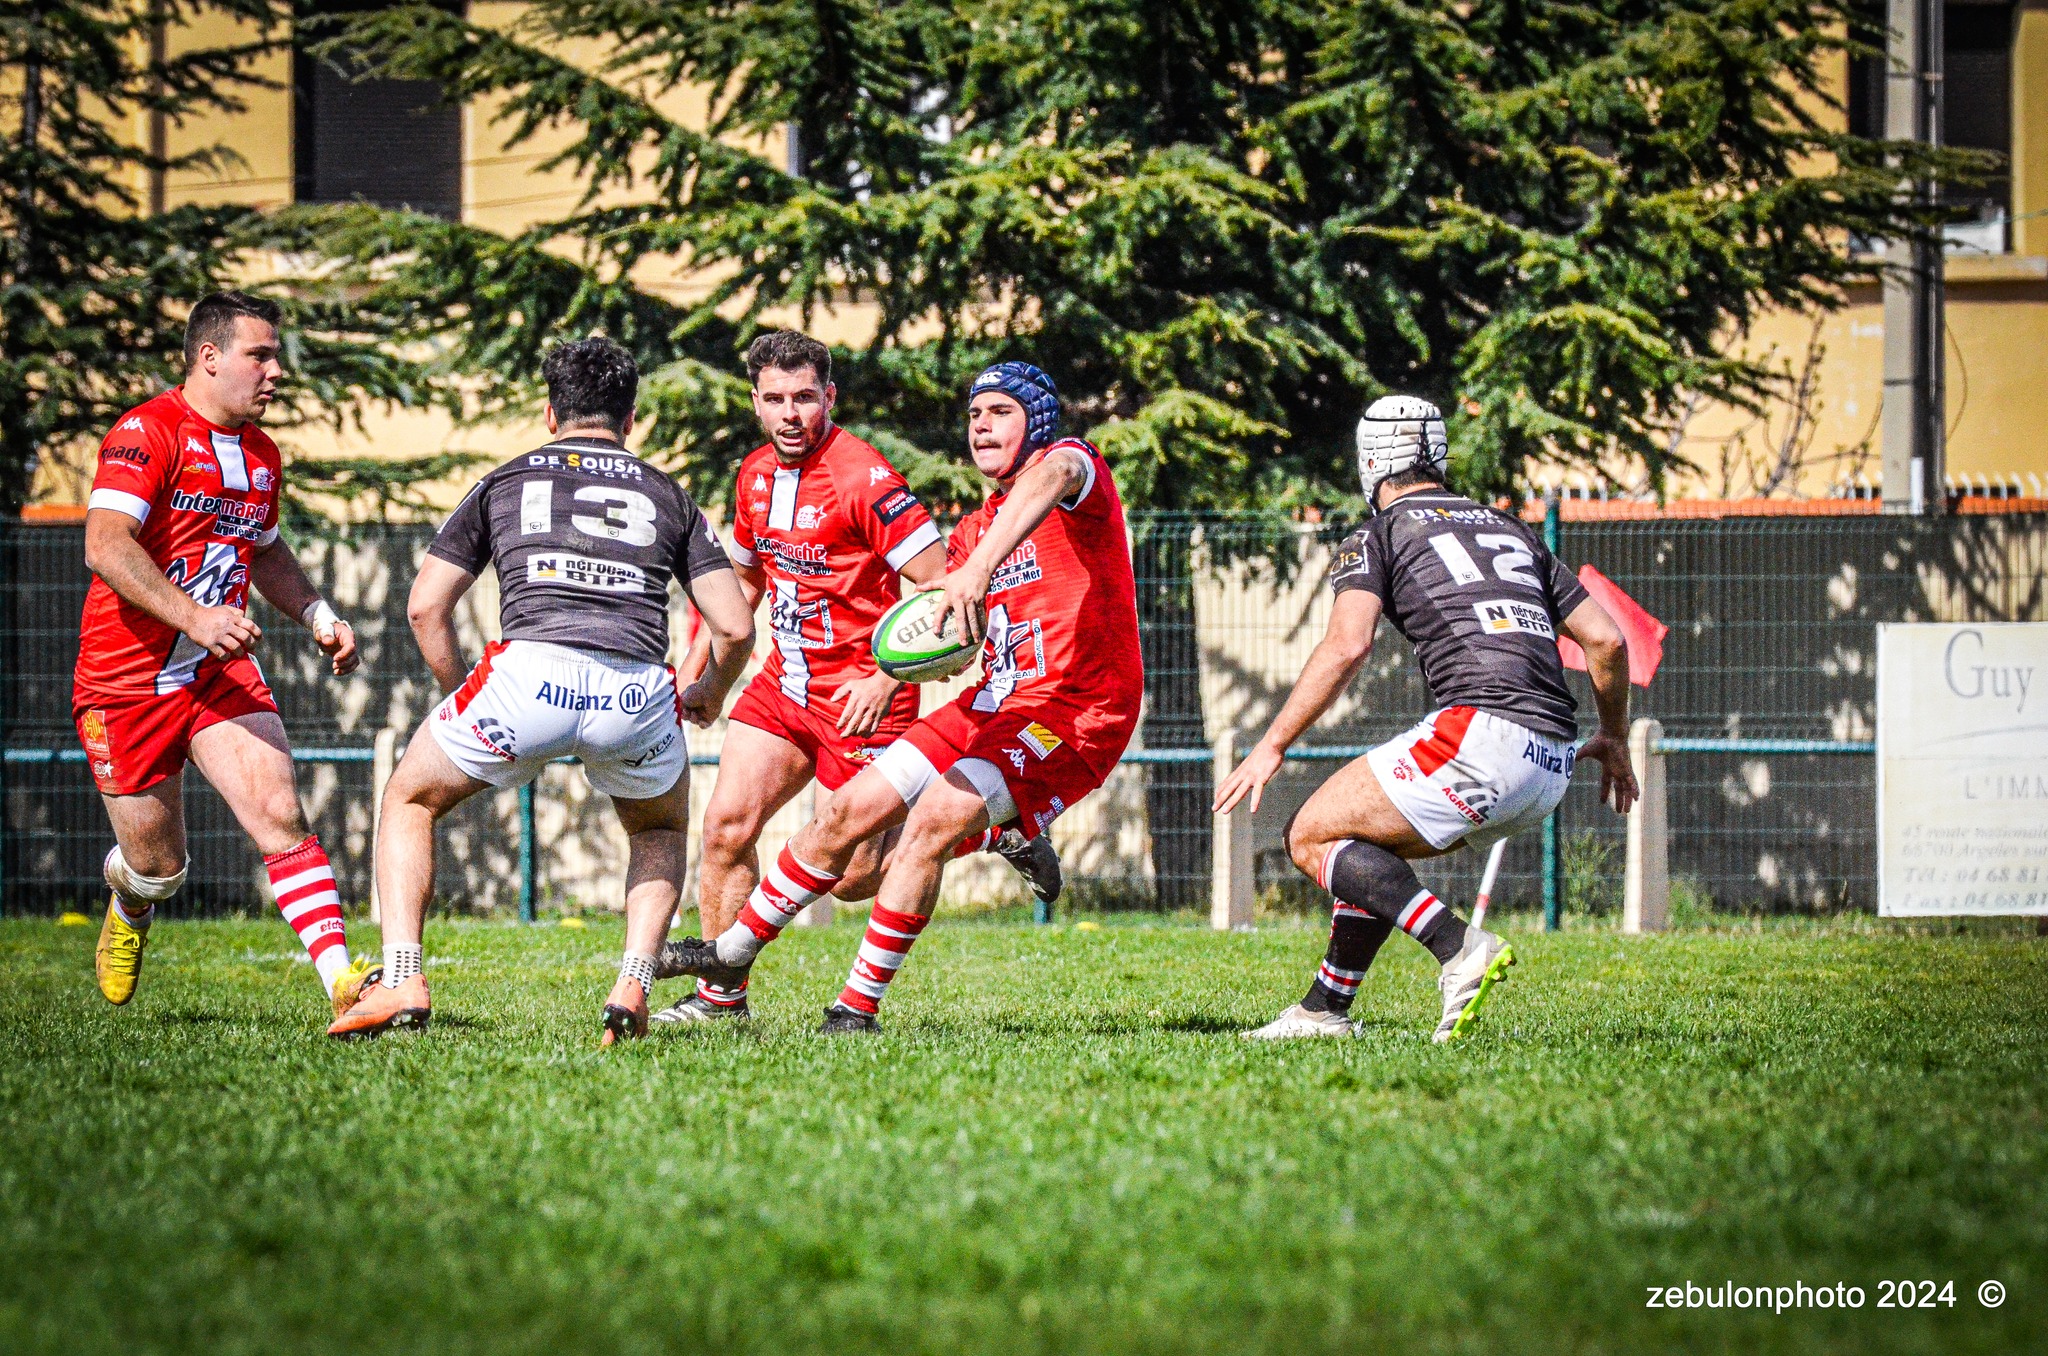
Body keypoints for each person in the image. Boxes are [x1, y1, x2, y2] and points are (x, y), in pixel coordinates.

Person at [661, 362, 1143, 1033]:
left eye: (1000, 412)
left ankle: (854, 1011)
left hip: (1076, 713)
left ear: (1037, 420)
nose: (981, 426)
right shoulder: (973, 531)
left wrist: (976, 569)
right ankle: (726, 961)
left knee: (929, 823)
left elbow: (1055, 473)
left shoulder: (1075, 474)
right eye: (974, 415)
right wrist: (888, 675)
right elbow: (939, 628)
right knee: (844, 818)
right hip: (991, 703)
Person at [327, 336, 756, 1044]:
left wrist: (462, 695)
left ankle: (403, 977)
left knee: (408, 800)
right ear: (630, 417)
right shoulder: (666, 493)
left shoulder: (504, 480)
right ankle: (633, 986)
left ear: (551, 413)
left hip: (526, 679)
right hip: (634, 692)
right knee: (658, 830)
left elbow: (425, 607)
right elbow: (735, 626)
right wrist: (709, 689)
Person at [1213, 396, 1639, 1043]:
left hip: (1482, 735)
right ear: (1438, 455)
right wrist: (1614, 736)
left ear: (1370, 462)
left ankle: (1458, 948)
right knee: (1363, 850)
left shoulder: (1378, 533)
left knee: (1309, 836)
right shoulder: (1513, 529)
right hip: (1554, 762)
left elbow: (1347, 645)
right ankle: (1324, 1009)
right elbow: (1606, 640)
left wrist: (1272, 744)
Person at [75, 290, 377, 1017]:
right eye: (259, 355)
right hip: (125, 680)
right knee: (160, 868)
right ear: (209, 358)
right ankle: (131, 899)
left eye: (276, 356)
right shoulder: (146, 432)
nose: (276, 371)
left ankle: (343, 984)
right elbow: (105, 545)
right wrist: (195, 616)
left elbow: (264, 551)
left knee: (280, 811)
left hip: (215, 669)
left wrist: (318, 613)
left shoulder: (262, 454)